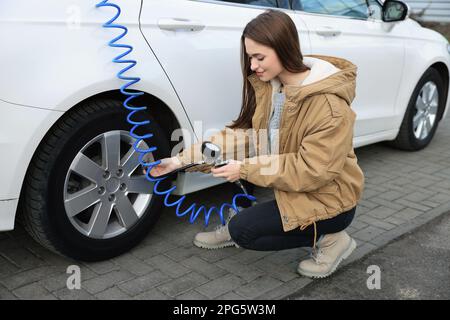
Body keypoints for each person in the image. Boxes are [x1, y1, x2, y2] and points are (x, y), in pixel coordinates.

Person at [148, 9, 365, 279]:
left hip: (330, 203)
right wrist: (180, 160)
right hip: (295, 193)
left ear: (284, 49)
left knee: (245, 233)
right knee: (243, 221)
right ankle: (250, 222)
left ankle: (331, 240)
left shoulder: (328, 105)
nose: (252, 66)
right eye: (250, 57)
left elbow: (314, 169)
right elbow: (246, 138)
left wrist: (245, 170)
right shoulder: (275, 90)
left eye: (259, 57)